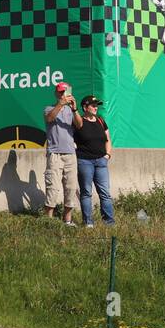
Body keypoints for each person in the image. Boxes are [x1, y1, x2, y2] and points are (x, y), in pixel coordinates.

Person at [41, 82, 80, 225]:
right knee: (53, 187)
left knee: (70, 187)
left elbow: (80, 125)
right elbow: (50, 118)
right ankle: (48, 221)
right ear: (57, 94)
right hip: (55, 153)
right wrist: (61, 104)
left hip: (70, 153)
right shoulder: (49, 108)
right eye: (61, 92)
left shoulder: (71, 111)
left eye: (66, 92)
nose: (64, 94)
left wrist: (75, 109)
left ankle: (67, 220)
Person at [73, 95, 114, 227]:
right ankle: (88, 223)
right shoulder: (79, 121)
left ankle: (109, 222)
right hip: (85, 162)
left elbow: (108, 139)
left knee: (105, 193)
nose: (96, 107)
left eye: (97, 105)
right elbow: (74, 133)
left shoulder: (101, 120)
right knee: (86, 193)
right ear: (85, 107)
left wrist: (107, 155)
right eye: (93, 105)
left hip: (101, 161)